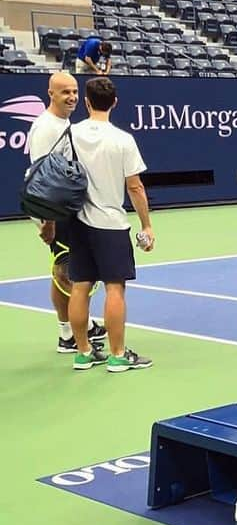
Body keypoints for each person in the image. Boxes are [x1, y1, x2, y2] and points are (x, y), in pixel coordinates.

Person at [65, 76, 154, 372]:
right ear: (115, 102)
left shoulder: (70, 134)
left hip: (76, 222)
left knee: (80, 286)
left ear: (87, 102)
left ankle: (83, 352)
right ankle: (117, 355)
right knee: (114, 288)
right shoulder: (122, 139)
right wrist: (147, 225)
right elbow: (135, 187)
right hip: (110, 224)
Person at [27, 71, 107, 354]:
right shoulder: (46, 127)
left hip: (64, 208)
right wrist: (47, 222)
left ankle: (73, 330)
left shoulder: (63, 122)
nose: (72, 97)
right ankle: (71, 335)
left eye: (74, 91)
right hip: (55, 210)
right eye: (65, 92)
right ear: (51, 94)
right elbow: (43, 178)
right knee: (65, 272)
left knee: (65, 270)